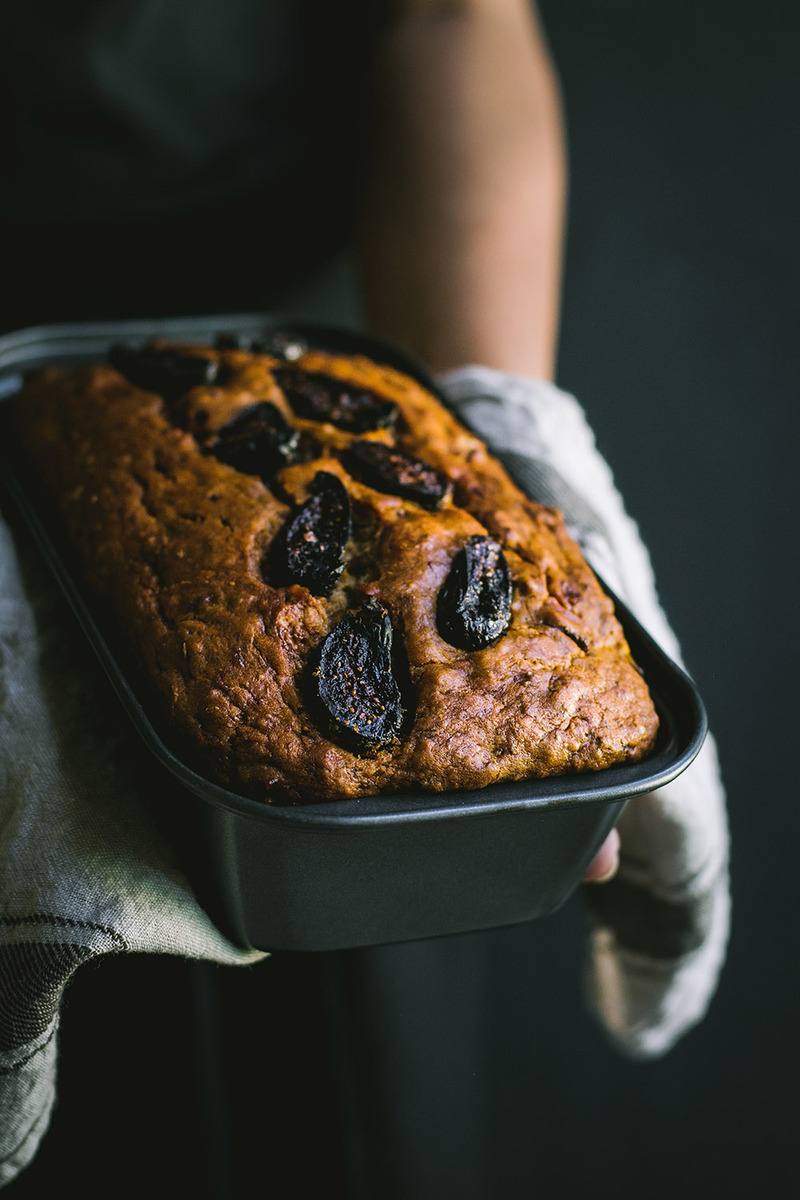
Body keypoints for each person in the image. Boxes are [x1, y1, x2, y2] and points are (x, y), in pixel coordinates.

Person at [0, 1, 729, 1191]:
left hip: (331, 324)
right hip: (39, 371)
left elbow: (451, 12)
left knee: (347, 1112)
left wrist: (497, 425)